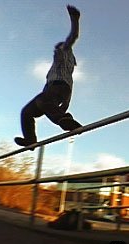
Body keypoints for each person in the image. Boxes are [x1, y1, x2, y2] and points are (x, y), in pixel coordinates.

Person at [15, 5, 82, 147]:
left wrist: (74, 18)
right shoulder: (59, 67)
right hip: (55, 92)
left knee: (42, 100)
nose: (54, 52)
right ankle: (30, 139)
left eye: (56, 49)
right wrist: (65, 105)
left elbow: (73, 36)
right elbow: (70, 86)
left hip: (58, 88)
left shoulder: (64, 51)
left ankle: (65, 120)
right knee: (26, 112)